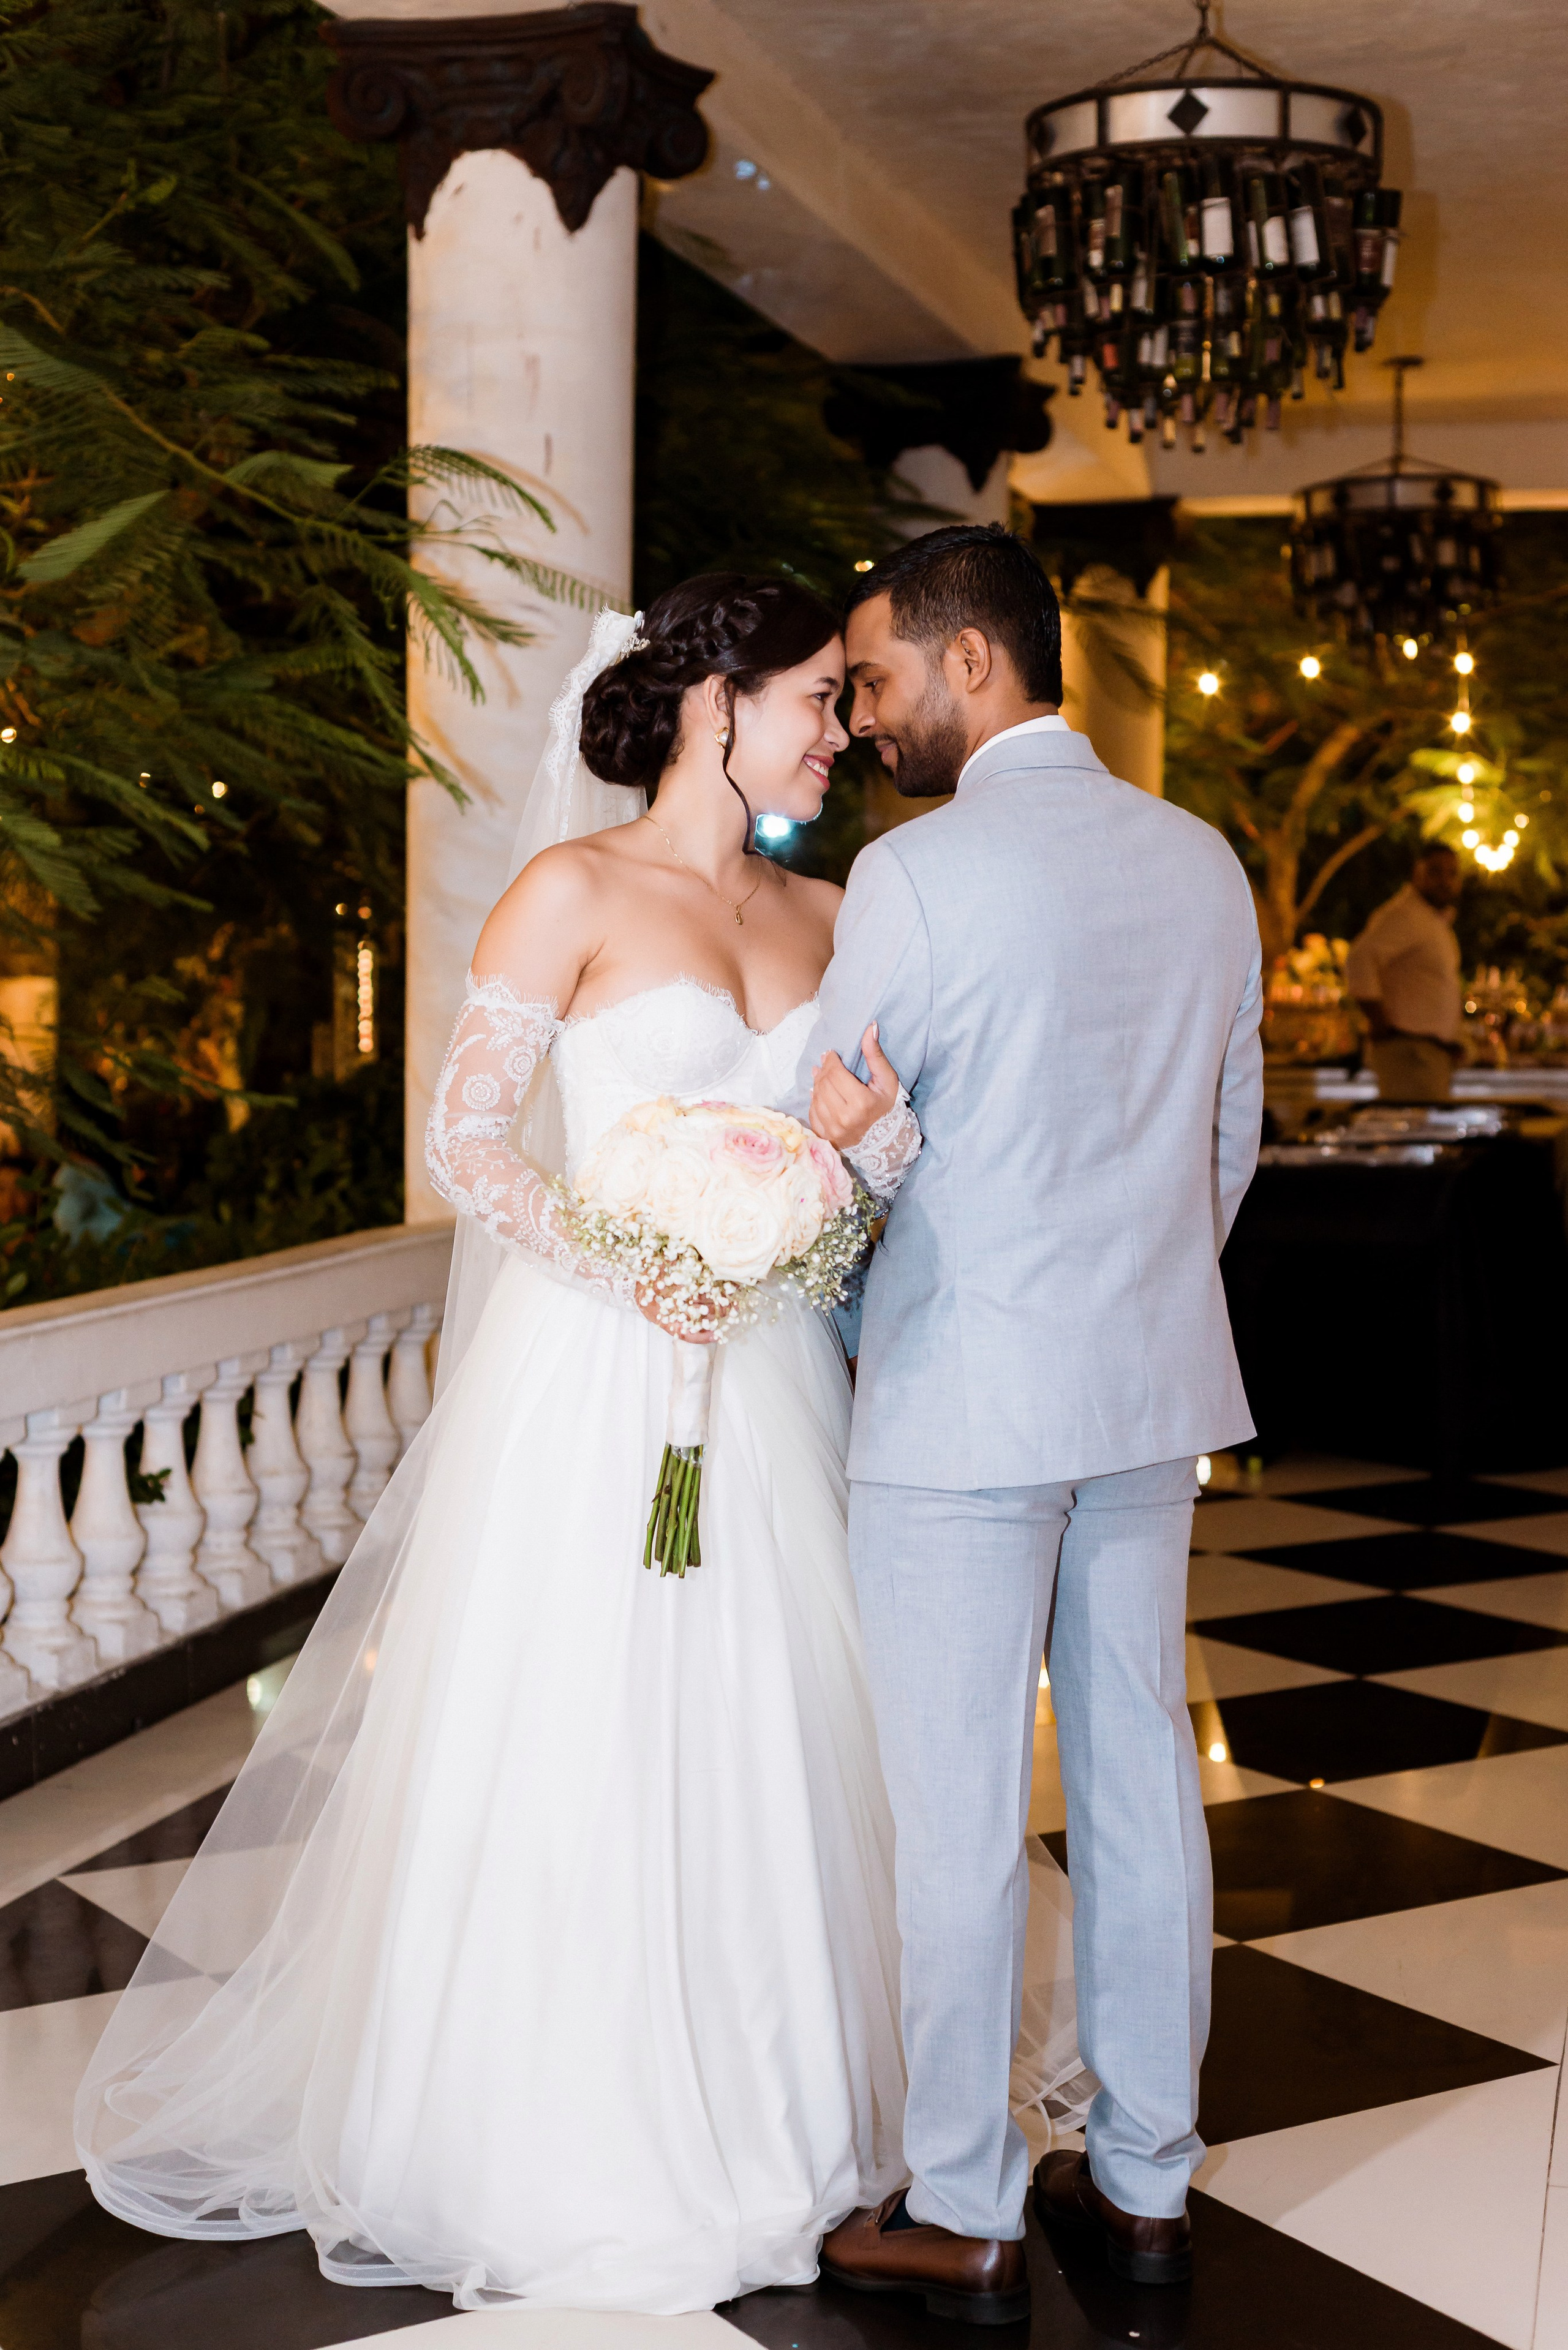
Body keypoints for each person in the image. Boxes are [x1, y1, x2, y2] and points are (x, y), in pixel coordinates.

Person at [74, 574, 1082, 2318]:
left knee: (779, 1721)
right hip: (601, 1374)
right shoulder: (570, 890)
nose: (841, 730)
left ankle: (791, 2111)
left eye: (847, 702)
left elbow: (886, 1144)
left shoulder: (840, 908)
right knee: (588, 1716)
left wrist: (836, 1165)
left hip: (770, 1385)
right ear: (714, 703)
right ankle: (559, 2129)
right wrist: (651, 1270)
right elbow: (470, 1138)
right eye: (816, 700)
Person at [801, 524, 1263, 2314]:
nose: (865, 711)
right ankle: (1145, 2185)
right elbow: (1224, 1145)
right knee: (1144, 1774)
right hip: (1143, 1389)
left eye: (877, 676)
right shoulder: (1200, 858)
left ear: (969, 658)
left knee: (958, 1810)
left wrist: (854, 1317)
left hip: (959, 1401)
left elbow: (838, 1171)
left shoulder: (913, 878)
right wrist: (1130, 1295)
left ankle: (970, 2203)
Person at [1345, 842, 1464, 1101]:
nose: (1445, 880)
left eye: (1452, 873)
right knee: (1415, 1136)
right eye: (1435, 872)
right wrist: (1381, 1023)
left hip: (1426, 1054)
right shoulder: (1405, 915)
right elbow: (1359, 960)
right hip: (1409, 1053)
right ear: (1416, 872)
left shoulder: (1432, 921)